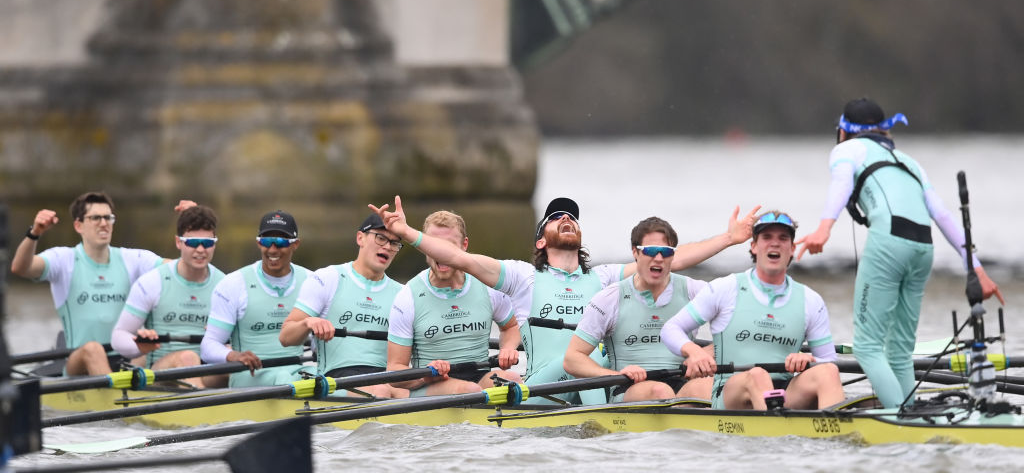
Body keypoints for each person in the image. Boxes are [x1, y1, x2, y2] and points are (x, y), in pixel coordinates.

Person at [371, 195, 758, 403]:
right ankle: (608, 406)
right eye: (556, 217)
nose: (566, 219)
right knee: (578, 357)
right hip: (543, 389)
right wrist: (407, 233)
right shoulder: (522, 277)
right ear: (541, 240)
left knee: (621, 348)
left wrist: (729, 239)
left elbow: (668, 258)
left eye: (570, 217)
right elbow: (458, 257)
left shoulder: (602, 277)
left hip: (593, 380)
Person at [796, 97, 1004, 408]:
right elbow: (944, 216)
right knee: (900, 350)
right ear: (882, 131)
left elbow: (841, 184)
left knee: (867, 347)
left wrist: (824, 229)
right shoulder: (909, 161)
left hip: (889, 244)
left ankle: (901, 418)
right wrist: (975, 269)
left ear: (843, 131)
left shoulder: (846, 150)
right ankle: (911, 414)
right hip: (923, 248)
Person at [661, 211, 843, 410]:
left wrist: (810, 359)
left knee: (827, 372)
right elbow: (671, 329)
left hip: (786, 390)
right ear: (754, 247)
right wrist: (694, 352)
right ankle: (776, 430)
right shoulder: (725, 288)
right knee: (757, 374)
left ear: (792, 249)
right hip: (732, 391)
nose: (775, 243)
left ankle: (837, 434)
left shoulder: (810, 300)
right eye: (767, 237)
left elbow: (828, 362)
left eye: (783, 238)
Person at [10, 192, 165, 375]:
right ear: (78, 225)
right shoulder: (63, 259)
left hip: (126, 357)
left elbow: (177, 269)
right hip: (80, 362)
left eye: (108, 218)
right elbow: (20, 268)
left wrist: (191, 232)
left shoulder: (133, 259)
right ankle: (116, 395)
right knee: (93, 349)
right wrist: (34, 233)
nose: (104, 223)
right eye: (95, 218)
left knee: (154, 346)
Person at [564, 217, 712, 402]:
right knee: (660, 391)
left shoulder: (694, 290)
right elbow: (572, 358)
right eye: (650, 251)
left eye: (666, 252)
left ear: (673, 255)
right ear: (635, 252)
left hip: (682, 383)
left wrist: (704, 355)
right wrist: (610, 374)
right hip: (628, 388)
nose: (658, 258)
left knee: (706, 386)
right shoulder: (610, 298)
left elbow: (736, 327)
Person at [386, 210, 522, 396]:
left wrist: (508, 348)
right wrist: (425, 375)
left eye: (448, 246)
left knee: (513, 381)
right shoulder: (408, 296)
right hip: (431, 385)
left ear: (464, 245)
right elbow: (394, 371)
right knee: (471, 391)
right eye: (434, 245)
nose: (441, 254)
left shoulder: (487, 287)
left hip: (480, 375)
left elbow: (511, 326)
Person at [279, 213, 406, 398]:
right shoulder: (327, 279)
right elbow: (286, 337)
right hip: (336, 379)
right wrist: (308, 323)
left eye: (394, 243)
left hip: (388, 379)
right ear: (360, 238)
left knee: (413, 392)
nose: (387, 246)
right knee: (383, 392)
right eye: (380, 238)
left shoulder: (403, 293)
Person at [110, 203, 227, 388]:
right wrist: (139, 346)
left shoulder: (225, 285)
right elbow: (118, 337)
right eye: (193, 243)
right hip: (160, 373)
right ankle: (205, 413)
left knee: (236, 356)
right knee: (188, 357)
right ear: (178, 242)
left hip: (206, 371)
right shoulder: (153, 282)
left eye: (207, 243)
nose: (200, 250)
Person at [200, 210, 313, 387]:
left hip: (295, 374)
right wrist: (234, 356)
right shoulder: (233, 284)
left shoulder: (311, 281)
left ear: (295, 244)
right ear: (258, 243)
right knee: (285, 377)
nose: (272, 249)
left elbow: (319, 344)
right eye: (267, 241)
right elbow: (208, 346)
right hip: (249, 377)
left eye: (281, 242)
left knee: (322, 378)